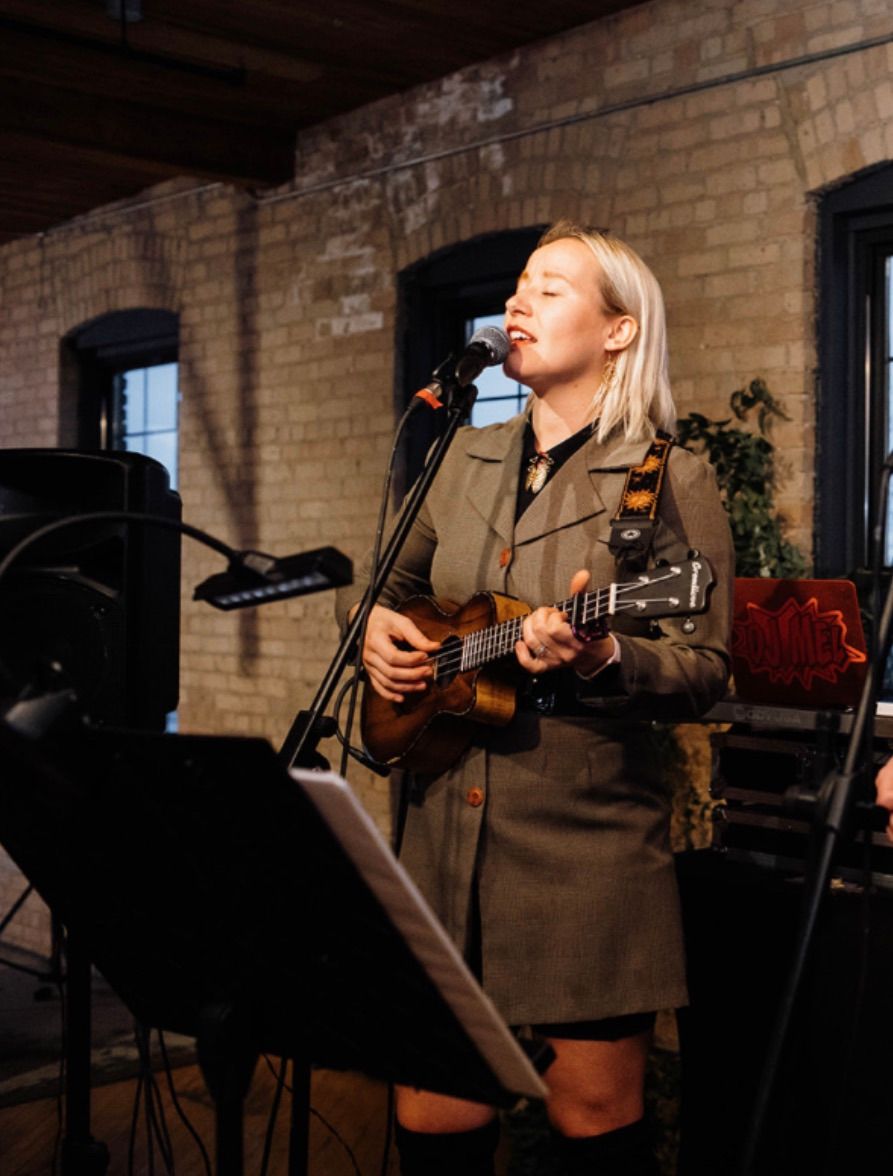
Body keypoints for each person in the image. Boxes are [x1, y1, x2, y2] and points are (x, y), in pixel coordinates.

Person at [336, 220, 734, 1176]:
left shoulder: (666, 475)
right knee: (431, 1114)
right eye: (517, 285)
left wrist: (603, 659)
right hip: (436, 827)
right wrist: (372, 638)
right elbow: (386, 596)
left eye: (549, 288)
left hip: (585, 844)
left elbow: (707, 665)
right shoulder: (459, 457)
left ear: (618, 331)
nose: (517, 301)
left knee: (593, 1121)